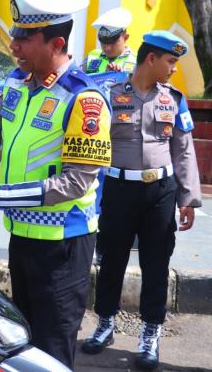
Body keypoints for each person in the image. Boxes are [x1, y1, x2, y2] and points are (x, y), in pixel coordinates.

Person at [0, 0, 112, 369]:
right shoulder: (16, 86)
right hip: (21, 239)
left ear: (56, 43)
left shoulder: (84, 99)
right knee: (23, 341)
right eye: (16, 35)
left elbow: (75, 184)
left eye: (24, 38)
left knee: (52, 349)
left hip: (63, 247)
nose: (14, 45)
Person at [81, 31, 201, 370]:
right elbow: (90, 143)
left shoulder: (174, 98)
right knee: (110, 259)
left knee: (156, 263)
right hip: (118, 190)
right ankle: (105, 324)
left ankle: (151, 333)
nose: (174, 69)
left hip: (160, 193)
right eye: (171, 62)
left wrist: (188, 198)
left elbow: (184, 149)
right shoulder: (109, 95)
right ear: (151, 59)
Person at [82, 7, 136, 74]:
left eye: (112, 43)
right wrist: (104, 77)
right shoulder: (92, 56)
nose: (107, 48)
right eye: (103, 43)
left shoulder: (136, 62)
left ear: (125, 37)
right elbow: (78, 83)